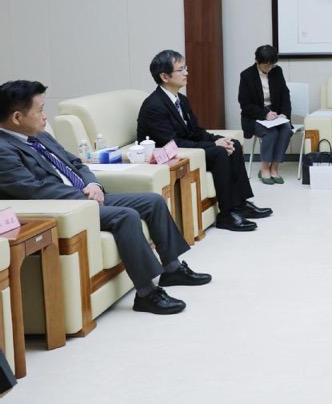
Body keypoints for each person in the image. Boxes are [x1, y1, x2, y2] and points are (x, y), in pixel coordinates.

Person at [0, 80, 211, 315]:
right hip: (68, 208)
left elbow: (76, 163)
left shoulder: (40, 135)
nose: (45, 116)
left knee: (153, 201)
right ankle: (146, 294)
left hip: (87, 195)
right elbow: (32, 190)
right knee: (126, 216)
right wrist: (83, 196)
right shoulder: (3, 149)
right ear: (17, 117)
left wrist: (93, 184)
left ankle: (172, 269)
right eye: (39, 110)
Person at [137, 50, 272, 232]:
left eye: (186, 68)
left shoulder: (181, 100)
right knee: (219, 152)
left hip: (186, 147)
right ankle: (226, 214)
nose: (186, 73)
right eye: (181, 69)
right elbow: (172, 144)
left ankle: (240, 204)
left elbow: (195, 131)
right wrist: (214, 145)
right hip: (169, 156)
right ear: (164, 76)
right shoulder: (154, 106)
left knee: (232, 144)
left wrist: (218, 139)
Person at [238, 44, 294, 185]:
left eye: (271, 65)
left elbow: (285, 94)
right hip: (255, 116)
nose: (268, 68)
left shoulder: (277, 71)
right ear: (256, 60)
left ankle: (274, 167)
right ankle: (264, 168)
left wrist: (284, 114)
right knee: (271, 133)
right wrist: (264, 114)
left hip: (276, 115)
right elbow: (245, 104)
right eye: (265, 65)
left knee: (286, 130)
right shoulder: (247, 75)